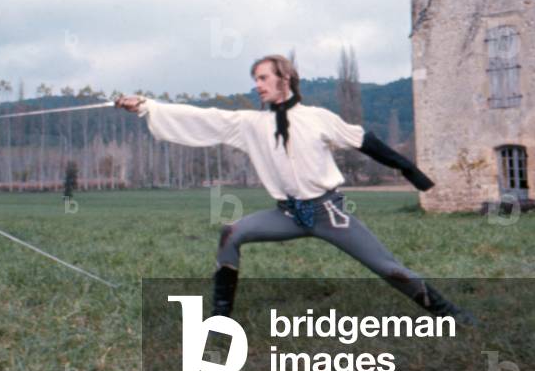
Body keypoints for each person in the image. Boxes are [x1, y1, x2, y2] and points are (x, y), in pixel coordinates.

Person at [115, 54, 473, 323]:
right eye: (255, 79)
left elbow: (365, 140)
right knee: (231, 234)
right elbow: (200, 117)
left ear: (286, 78)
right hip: (286, 215)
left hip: (328, 213)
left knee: (389, 269)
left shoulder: (317, 117)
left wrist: (413, 173)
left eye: (264, 78)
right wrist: (146, 106)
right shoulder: (249, 124)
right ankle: (221, 321)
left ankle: (450, 314)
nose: (258, 85)